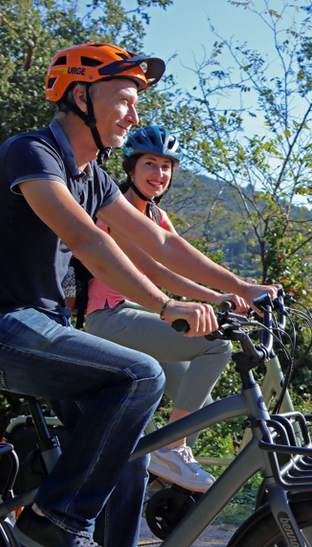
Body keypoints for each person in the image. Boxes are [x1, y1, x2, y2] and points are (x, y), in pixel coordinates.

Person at [0, 42, 277, 547]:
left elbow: (160, 244)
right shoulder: (31, 153)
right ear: (80, 96)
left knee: (133, 452)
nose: (134, 114)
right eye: (124, 99)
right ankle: (55, 517)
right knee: (139, 376)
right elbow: (86, 239)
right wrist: (168, 305)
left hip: (43, 328)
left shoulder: (94, 176)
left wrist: (237, 289)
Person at [82, 124, 237, 492]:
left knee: (196, 394)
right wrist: (215, 298)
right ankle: (170, 452)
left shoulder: (156, 217)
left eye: (167, 166)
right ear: (131, 169)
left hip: (143, 317)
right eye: (150, 164)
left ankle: (159, 479)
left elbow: (177, 261)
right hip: (110, 316)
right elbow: (156, 270)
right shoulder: (115, 211)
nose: (159, 174)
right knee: (216, 347)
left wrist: (234, 292)